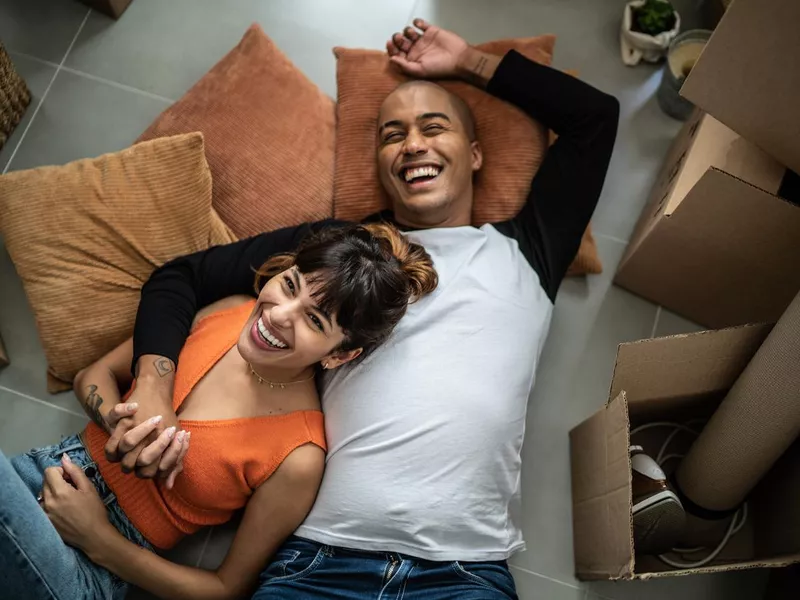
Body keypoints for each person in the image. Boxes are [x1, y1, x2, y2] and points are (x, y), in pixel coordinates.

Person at [53, 18, 619, 599]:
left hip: (463, 571)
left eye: (433, 127)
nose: (413, 144)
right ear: (379, 164)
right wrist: (152, 385)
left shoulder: (527, 249)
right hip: (318, 562)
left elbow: (595, 120)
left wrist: (467, 63)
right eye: (391, 135)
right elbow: (181, 278)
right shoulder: (339, 254)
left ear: (474, 154)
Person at [0, 224, 437, 600]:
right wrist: (117, 420)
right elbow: (92, 375)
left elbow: (226, 589)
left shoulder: (299, 456)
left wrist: (97, 539)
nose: (279, 316)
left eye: (315, 321)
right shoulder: (228, 312)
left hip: (87, 567)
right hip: (32, 476)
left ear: (339, 356)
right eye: (289, 285)